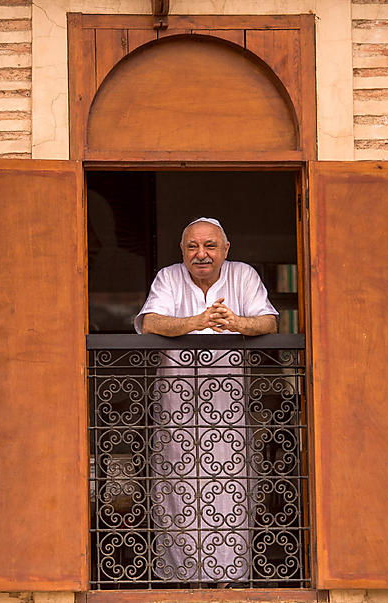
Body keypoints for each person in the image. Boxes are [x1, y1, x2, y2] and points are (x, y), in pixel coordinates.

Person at [134, 217, 277, 584]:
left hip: (226, 404)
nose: (201, 254)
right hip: (176, 403)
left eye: (210, 246)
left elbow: (268, 324)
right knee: (178, 483)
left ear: (225, 250)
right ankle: (182, 578)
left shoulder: (243, 275)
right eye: (192, 247)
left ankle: (230, 577)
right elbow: (151, 323)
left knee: (230, 483)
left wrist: (236, 323)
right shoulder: (168, 277)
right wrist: (199, 320)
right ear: (182, 251)